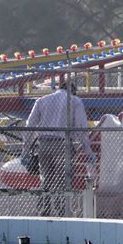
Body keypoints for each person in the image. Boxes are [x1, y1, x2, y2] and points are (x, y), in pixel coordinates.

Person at [22, 79, 95, 215]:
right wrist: (87, 150)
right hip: (63, 144)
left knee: (46, 178)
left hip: (44, 144)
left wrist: (25, 150)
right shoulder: (74, 101)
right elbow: (81, 127)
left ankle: (45, 208)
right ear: (73, 91)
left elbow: (29, 125)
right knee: (63, 178)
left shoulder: (42, 100)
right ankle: (61, 209)